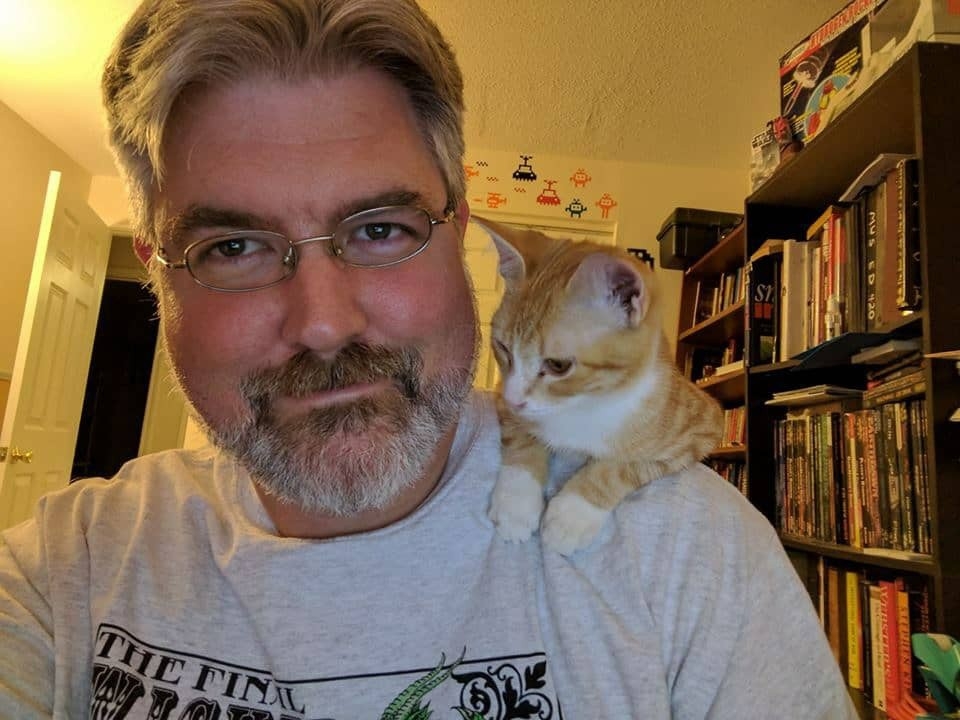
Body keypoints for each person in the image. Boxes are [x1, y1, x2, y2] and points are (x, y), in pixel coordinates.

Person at [0, 1, 857, 717]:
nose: (325, 324)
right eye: (232, 247)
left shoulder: (687, 550)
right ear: (157, 273)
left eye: (380, 229)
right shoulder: (62, 573)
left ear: (459, 234)